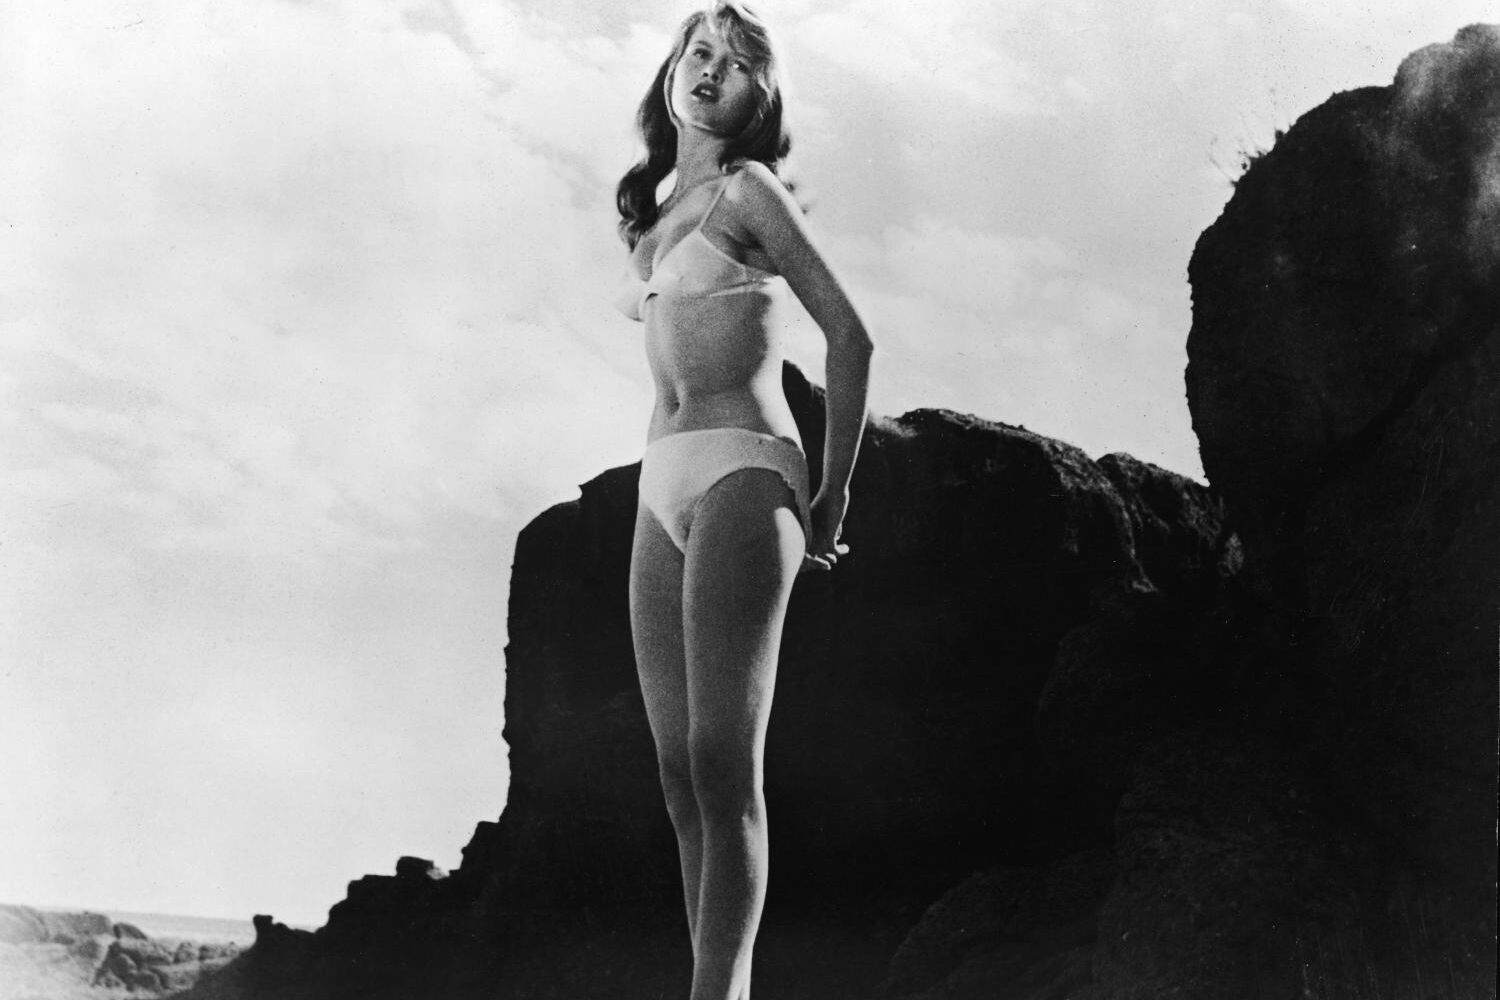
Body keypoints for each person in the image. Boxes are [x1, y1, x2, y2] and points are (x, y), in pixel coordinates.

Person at [615, 3, 874, 998]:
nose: (711, 69)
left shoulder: (749, 191)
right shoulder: (651, 219)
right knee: (678, 777)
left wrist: (834, 492)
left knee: (723, 764)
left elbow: (851, 335)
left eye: (735, 61)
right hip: (660, 483)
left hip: (745, 468)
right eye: (699, 51)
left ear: (760, 94)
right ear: (670, 71)